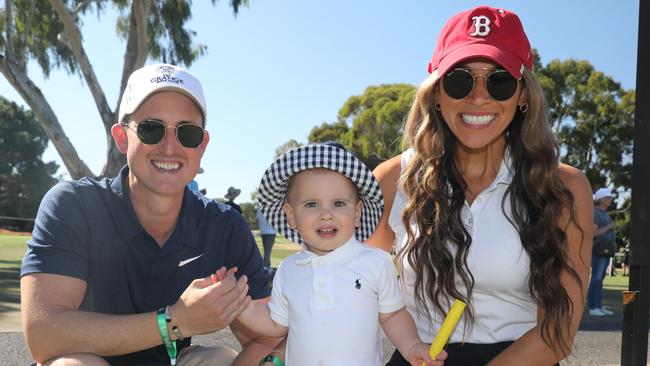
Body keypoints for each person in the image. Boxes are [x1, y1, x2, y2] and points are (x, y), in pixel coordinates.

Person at [366, 6, 593, 366]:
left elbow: (560, 328)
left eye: (499, 80)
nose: (479, 97)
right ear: (437, 93)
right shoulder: (392, 181)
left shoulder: (564, 186)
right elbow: (358, 292)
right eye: (460, 80)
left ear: (522, 96)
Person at [20, 63, 277, 365]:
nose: (170, 147)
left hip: (174, 360)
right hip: (89, 360)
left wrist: (272, 361)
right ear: (121, 137)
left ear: (203, 144)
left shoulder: (223, 226)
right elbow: (43, 335)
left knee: (221, 359)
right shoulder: (73, 205)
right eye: (151, 129)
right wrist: (172, 322)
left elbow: (265, 339)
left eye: (188, 133)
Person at [227, 143, 446, 365]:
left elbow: (392, 315)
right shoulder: (289, 269)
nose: (326, 214)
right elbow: (275, 323)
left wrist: (412, 346)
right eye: (312, 204)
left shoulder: (375, 262)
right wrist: (237, 306)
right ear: (291, 215)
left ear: (357, 212)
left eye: (338, 203)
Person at [587, 187, 617, 316]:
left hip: (605, 251)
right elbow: (594, 233)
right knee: (596, 278)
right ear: (601, 199)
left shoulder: (605, 214)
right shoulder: (596, 213)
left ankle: (598, 306)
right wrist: (609, 227)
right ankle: (593, 307)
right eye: (608, 197)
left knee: (600, 279)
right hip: (598, 250)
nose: (610, 199)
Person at [256, 207, 276, 271]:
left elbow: (258, 220)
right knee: (267, 251)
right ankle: (263, 269)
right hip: (271, 232)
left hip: (263, 232)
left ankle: (268, 267)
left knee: (266, 251)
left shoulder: (260, 209)